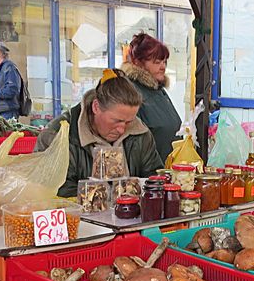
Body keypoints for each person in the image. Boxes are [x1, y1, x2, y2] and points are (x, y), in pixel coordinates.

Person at [35, 68, 162, 196]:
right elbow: (52, 189)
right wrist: (105, 197)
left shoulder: (141, 133)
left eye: (129, 121)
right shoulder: (57, 135)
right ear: (96, 107)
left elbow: (154, 178)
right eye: (116, 121)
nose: (122, 129)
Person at [121, 32, 182, 164]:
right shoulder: (131, 91)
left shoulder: (158, 90)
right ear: (138, 63)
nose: (163, 67)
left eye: (165, 61)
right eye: (157, 62)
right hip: (148, 175)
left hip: (167, 171)